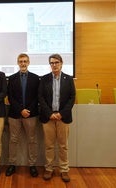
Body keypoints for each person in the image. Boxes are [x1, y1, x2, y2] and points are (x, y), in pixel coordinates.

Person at [38, 53, 75, 182]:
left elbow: (72, 98)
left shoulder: (68, 79)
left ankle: (64, 169)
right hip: (48, 117)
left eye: (56, 62)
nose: (54, 65)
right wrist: (50, 113)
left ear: (61, 63)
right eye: (52, 63)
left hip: (63, 118)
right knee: (49, 145)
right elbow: (40, 98)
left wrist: (61, 113)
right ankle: (49, 168)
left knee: (63, 145)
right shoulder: (44, 79)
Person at [5, 53, 39, 177]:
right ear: (18, 63)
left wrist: (27, 110)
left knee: (32, 140)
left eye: (25, 61)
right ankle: (12, 164)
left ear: (28, 62)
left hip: (31, 114)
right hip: (15, 114)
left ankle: (32, 165)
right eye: (21, 61)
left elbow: (37, 97)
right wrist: (20, 110)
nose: (23, 63)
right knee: (13, 140)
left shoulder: (35, 78)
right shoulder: (12, 78)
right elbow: (10, 97)